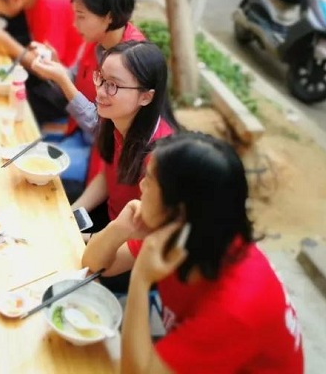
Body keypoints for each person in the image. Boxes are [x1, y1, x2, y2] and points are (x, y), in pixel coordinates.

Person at [82, 132, 304, 373]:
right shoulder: (191, 230)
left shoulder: (233, 308)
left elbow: (134, 371)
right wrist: (120, 228)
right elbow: (94, 263)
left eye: (150, 179)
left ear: (178, 208)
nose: (141, 184)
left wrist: (141, 280)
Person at [32, 0, 145, 202]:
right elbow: (76, 76)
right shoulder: (98, 40)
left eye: (81, 16)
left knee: (33, 170)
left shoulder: (130, 62)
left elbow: (104, 130)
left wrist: (62, 80)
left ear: (108, 17)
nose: (75, 24)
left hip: (102, 158)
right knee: (23, 153)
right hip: (79, 135)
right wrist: (56, 68)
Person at [72, 40, 178, 285]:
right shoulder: (116, 117)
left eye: (113, 85)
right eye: (101, 78)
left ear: (146, 97)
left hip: (132, 253)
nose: (100, 91)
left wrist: (81, 237)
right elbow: (107, 176)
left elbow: (135, 241)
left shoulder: (159, 159)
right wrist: (72, 214)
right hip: (111, 222)